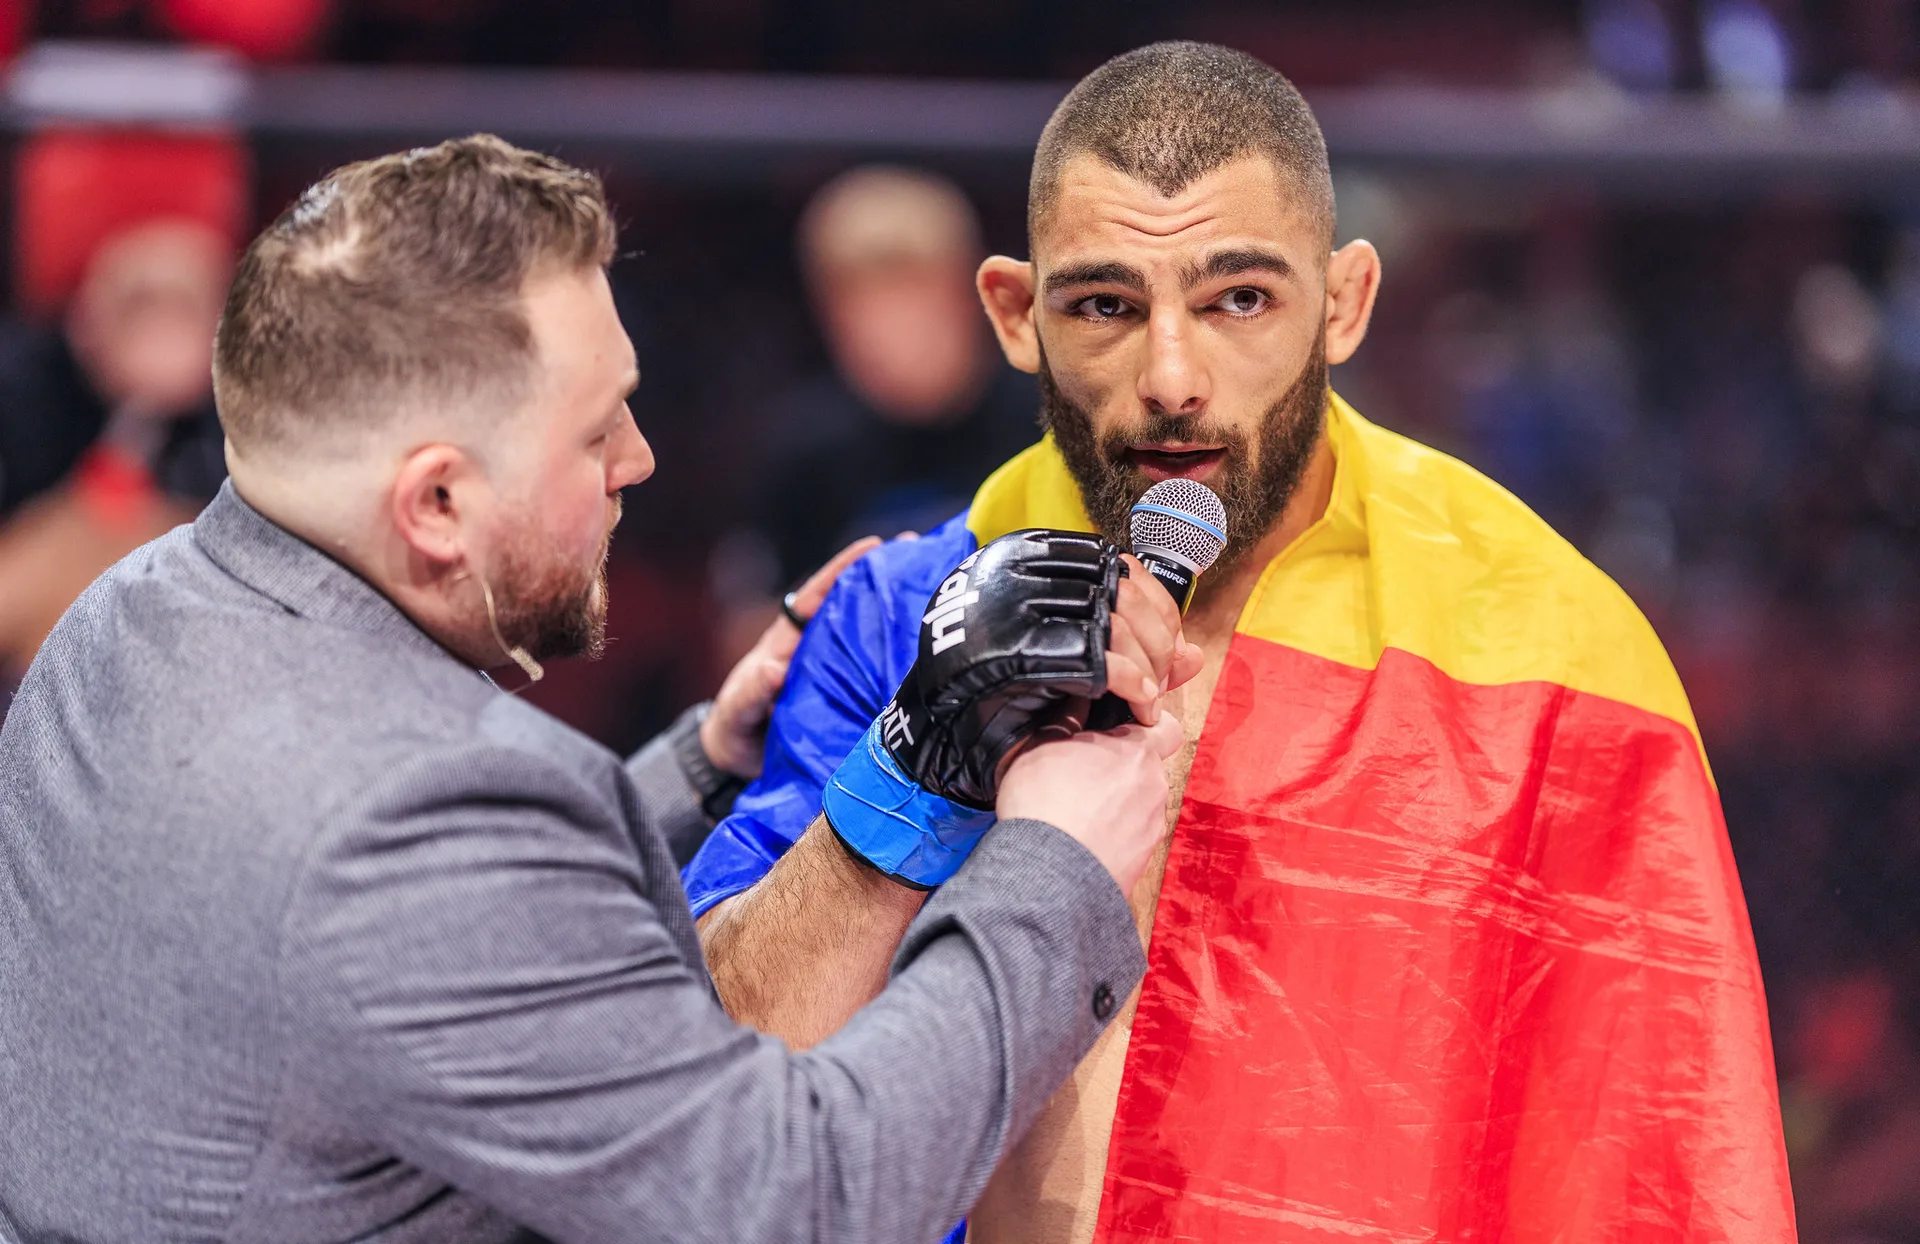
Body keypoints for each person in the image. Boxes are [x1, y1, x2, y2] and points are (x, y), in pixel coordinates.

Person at [683, 42, 1797, 1244]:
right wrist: (919, 766)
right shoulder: (900, 612)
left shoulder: (1552, 657)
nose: (1173, 376)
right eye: (1106, 305)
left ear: (1345, 303)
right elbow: (700, 1115)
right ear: (1016, 315)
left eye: (1241, 300)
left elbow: (1661, 1178)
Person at [0, 134, 1188, 1243]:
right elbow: (802, 1197)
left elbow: (413, 937)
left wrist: (701, 760)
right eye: (595, 429)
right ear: (437, 501)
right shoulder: (423, 821)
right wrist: (1056, 863)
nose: (638, 457)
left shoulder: (123, 616)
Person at [754, 165, 1040, 588]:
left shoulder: (1048, 423)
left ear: (971, 297)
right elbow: (760, 614)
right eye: (859, 309)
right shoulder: (807, 453)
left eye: (911, 300)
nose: (887, 333)